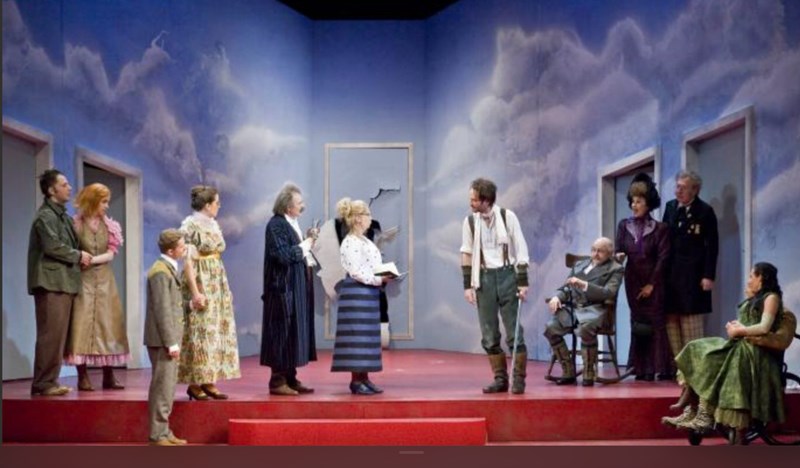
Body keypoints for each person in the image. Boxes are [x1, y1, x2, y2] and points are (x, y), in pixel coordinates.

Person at [662, 262, 787, 437]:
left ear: (762, 278)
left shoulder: (771, 297)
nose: (749, 280)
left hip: (754, 349)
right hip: (740, 343)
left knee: (712, 361)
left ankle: (704, 415)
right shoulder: (756, 297)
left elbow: (764, 327)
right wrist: (736, 325)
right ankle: (692, 408)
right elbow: (750, 322)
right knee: (696, 348)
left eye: (752, 276)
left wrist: (740, 330)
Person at [460, 178, 530, 394]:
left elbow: (521, 248)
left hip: (507, 275)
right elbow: (466, 253)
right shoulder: (470, 222)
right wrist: (467, 286)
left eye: (474, 199)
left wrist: (522, 281)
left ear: (486, 200)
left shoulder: (507, 217)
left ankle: (518, 378)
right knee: (489, 334)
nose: (471, 203)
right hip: (484, 278)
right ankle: (500, 379)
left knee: (514, 331)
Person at [27, 169, 92, 396]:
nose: (69, 188)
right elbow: (52, 246)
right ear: (51, 190)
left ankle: (49, 381)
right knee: (50, 335)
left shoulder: (62, 216)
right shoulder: (45, 216)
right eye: (64, 184)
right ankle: (43, 383)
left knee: (58, 336)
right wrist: (78, 256)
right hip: (51, 283)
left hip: (63, 282)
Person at [64, 183, 130, 391]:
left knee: (107, 324)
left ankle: (108, 375)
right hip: (82, 279)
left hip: (104, 280)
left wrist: (91, 260)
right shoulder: (75, 224)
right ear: (93, 201)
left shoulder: (110, 226)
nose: (106, 206)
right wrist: (80, 259)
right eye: (103, 202)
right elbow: (70, 251)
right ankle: (82, 376)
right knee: (81, 324)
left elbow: (111, 254)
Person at [178, 186, 240, 400]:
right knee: (201, 331)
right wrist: (196, 293)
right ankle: (195, 382)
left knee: (215, 331)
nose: (219, 206)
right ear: (207, 205)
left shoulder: (213, 224)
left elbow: (217, 258)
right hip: (200, 281)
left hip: (216, 280)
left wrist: (225, 289)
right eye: (216, 203)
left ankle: (209, 380)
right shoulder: (190, 226)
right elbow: (187, 262)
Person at [260, 183, 318, 396]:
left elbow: (295, 250)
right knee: (281, 333)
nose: (303, 207)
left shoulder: (291, 223)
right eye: (299, 203)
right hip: (282, 288)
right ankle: (277, 381)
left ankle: (291, 377)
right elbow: (283, 256)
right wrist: (306, 244)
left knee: (294, 332)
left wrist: (307, 240)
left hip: (296, 287)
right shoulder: (276, 225)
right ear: (287, 206)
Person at [544, 237, 624, 386]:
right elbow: (567, 287)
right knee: (551, 328)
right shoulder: (580, 265)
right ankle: (568, 370)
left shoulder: (615, 269)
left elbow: (609, 292)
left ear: (609, 253)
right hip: (573, 308)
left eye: (600, 251)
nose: (595, 254)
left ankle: (589, 372)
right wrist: (557, 296)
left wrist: (584, 285)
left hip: (595, 308)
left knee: (585, 329)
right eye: (593, 250)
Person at [331, 198, 391, 395]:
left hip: (368, 294)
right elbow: (356, 271)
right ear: (357, 218)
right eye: (367, 215)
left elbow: (371, 266)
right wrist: (378, 279)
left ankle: (364, 377)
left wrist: (385, 274)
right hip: (357, 294)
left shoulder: (365, 240)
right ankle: (356, 381)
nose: (370, 218)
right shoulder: (350, 242)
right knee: (357, 337)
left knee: (367, 338)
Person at [615, 173, 671, 381]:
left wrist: (651, 284)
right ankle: (640, 368)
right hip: (632, 280)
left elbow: (663, 258)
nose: (634, 205)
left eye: (639, 201)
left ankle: (659, 368)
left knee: (655, 323)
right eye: (633, 201)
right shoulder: (624, 225)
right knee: (637, 322)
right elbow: (619, 250)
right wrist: (618, 256)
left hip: (653, 280)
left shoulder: (660, 229)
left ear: (648, 204)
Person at [662, 170, 719, 367]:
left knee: (690, 324)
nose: (678, 191)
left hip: (693, 276)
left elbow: (712, 246)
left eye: (683, 188)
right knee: (671, 322)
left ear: (695, 190)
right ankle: (680, 370)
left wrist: (708, 275)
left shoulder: (705, 211)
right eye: (677, 186)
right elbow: (663, 239)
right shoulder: (670, 207)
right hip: (671, 275)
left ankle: (696, 370)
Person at [144, 229, 188, 446]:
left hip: (166, 339)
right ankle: (158, 434)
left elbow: (173, 304)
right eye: (181, 246)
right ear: (171, 251)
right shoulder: (160, 272)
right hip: (162, 340)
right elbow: (162, 310)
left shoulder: (168, 269)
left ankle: (164, 431)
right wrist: (171, 342)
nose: (184, 248)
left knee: (167, 387)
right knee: (162, 387)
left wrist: (190, 305)